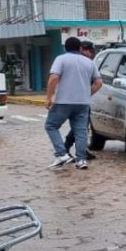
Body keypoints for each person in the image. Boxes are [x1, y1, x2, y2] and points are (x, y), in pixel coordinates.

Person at [45, 36, 102, 170]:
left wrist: (48, 97)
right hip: (83, 103)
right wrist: (87, 94)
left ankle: (61, 154)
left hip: (63, 102)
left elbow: (53, 78)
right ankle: (81, 160)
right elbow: (99, 82)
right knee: (81, 131)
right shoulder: (89, 62)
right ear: (80, 48)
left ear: (65, 48)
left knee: (51, 126)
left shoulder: (61, 59)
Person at [64, 40, 98, 161]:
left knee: (82, 126)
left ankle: (81, 149)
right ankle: (65, 148)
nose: (92, 54)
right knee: (80, 126)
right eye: (91, 51)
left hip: (78, 100)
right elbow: (98, 82)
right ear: (82, 50)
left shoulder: (85, 63)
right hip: (74, 100)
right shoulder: (81, 62)